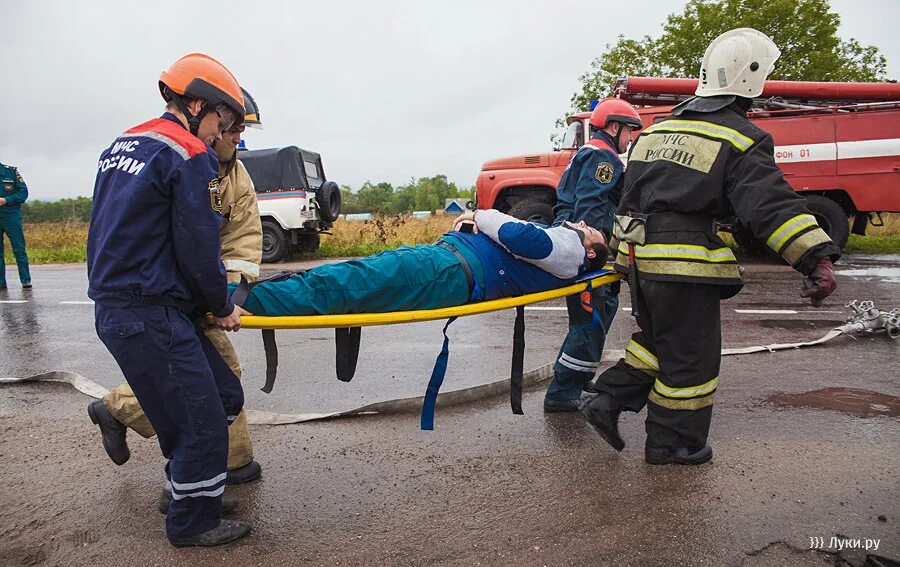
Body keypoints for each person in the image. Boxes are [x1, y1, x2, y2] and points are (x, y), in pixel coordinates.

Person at [579, 28, 840, 466]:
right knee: (692, 359)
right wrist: (816, 258)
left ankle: (607, 399)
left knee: (661, 340)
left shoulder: (658, 131)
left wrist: (621, 257)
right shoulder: (741, 137)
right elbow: (769, 205)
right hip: (684, 263)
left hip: (640, 260)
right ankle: (673, 444)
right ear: (751, 78)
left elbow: (628, 199)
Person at [86, 53, 252, 546]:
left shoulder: (124, 145)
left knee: (223, 396)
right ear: (198, 105)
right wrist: (222, 305)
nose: (220, 133)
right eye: (222, 120)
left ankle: (193, 489)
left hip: (128, 305)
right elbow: (197, 245)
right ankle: (192, 522)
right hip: (149, 309)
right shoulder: (189, 153)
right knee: (201, 422)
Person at [234, 208, 609, 317]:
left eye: (592, 231)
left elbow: (520, 237)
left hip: (447, 270)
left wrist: (481, 216)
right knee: (348, 278)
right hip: (446, 265)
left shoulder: (573, 249)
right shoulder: (570, 246)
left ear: (591, 252)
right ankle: (245, 294)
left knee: (347, 283)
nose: (584, 224)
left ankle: (239, 299)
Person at [543, 99, 642, 413]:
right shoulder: (602, 157)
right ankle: (562, 393)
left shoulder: (590, 153)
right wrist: (597, 255)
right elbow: (591, 208)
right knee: (591, 320)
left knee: (595, 316)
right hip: (589, 252)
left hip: (580, 246)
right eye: (629, 130)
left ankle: (580, 379)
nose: (631, 138)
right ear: (613, 127)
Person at [0, 161, 32, 290]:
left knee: (19, 248)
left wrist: (6, 200)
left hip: (11, 215)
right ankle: (1, 282)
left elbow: (23, 193)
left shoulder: (11, 172)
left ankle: (25, 280)